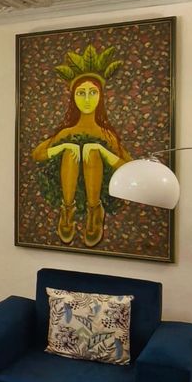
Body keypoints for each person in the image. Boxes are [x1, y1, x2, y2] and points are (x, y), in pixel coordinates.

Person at [32, 45, 131, 247]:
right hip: (68, 181)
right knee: (70, 150)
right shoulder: (67, 131)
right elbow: (38, 154)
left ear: (100, 97)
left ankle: (95, 211)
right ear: (73, 98)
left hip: (99, 181)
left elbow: (129, 166)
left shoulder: (106, 134)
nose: (87, 99)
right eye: (81, 93)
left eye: (92, 93)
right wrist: (61, 147)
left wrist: (102, 151)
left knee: (92, 151)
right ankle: (67, 210)